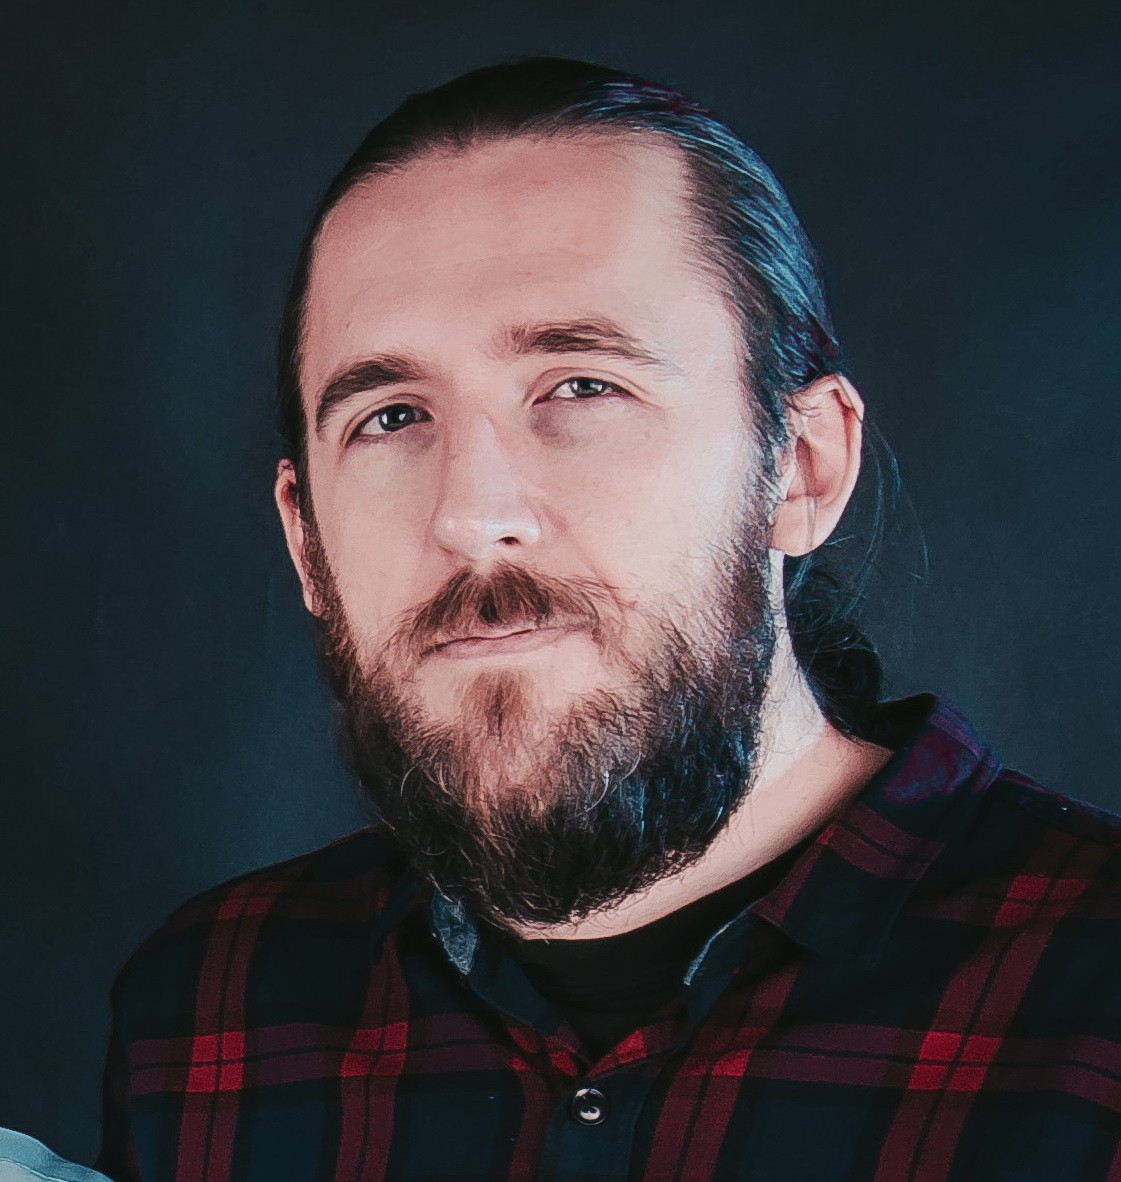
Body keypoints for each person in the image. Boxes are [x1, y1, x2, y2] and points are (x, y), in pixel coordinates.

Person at [95, 57, 1121, 1181]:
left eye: (580, 386)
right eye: (390, 417)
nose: (473, 517)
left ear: (801, 469)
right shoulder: (206, 1015)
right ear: (305, 540)